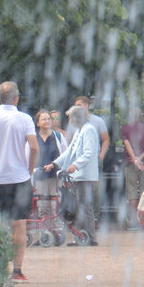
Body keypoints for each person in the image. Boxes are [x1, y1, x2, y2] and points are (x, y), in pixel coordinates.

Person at [0, 81, 39, 282]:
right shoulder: (24, 119)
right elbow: (34, 148)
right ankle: (17, 271)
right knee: (19, 226)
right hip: (19, 178)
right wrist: (29, 170)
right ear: (16, 98)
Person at [60, 104, 102, 246]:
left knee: (86, 206)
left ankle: (90, 237)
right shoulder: (80, 131)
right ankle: (83, 236)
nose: (70, 121)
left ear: (76, 118)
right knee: (82, 206)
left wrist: (75, 165)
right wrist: (55, 164)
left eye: (71, 118)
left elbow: (89, 153)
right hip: (80, 175)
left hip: (86, 175)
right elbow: (69, 151)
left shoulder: (88, 130)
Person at [121, 109, 144, 231]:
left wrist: (135, 159)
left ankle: (133, 221)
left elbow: (127, 145)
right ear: (141, 117)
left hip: (130, 162)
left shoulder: (125, 128)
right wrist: (140, 158)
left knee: (132, 190)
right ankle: (143, 218)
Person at [33, 108, 66, 208]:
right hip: (39, 176)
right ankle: (44, 224)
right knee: (42, 206)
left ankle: (55, 224)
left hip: (55, 177)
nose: (47, 121)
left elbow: (65, 154)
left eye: (48, 119)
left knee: (55, 205)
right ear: (38, 123)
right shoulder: (33, 138)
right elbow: (27, 156)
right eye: (44, 119)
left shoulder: (58, 136)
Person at [66, 96, 110, 164]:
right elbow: (69, 140)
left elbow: (105, 140)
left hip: (94, 159)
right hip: (76, 159)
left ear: (86, 105)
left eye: (79, 105)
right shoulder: (72, 122)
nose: (77, 108)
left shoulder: (98, 121)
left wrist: (100, 157)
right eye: (76, 106)